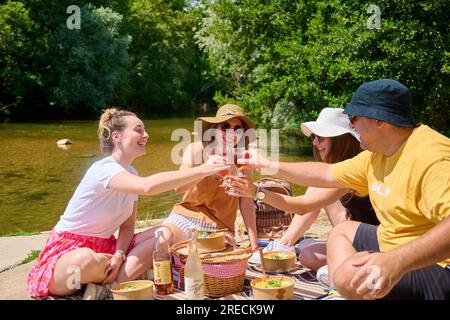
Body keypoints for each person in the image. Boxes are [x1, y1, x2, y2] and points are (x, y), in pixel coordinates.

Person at [238, 79, 450, 300]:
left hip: (438, 268)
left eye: (354, 118)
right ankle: (338, 294)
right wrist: (266, 165)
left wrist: (397, 260)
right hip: (394, 247)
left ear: (379, 120)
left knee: (347, 276)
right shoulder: (377, 155)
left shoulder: (433, 157)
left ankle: (342, 289)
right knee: (342, 232)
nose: (351, 126)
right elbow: (326, 174)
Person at [27, 108, 230, 298]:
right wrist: (204, 169)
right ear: (117, 137)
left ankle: (112, 285)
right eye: (138, 130)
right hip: (69, 251)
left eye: (145, 130)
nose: (146, 135)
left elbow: (127, 226)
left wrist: (119, 253)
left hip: (108, 248)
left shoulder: (131, 173)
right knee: (85, 260)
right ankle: (129, 274)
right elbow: (148, 187)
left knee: (163, 234)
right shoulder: (103, 169)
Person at [230, 108, 379, 272]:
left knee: (309, 253)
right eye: (314, 137)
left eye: (320, 137)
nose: (315, 143)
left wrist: (256, 191)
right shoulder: (348, 166)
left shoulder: (354, 170)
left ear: (340, 139)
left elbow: (303, 205)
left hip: (372, 245)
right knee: (306, 250)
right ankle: (286, 245)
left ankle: (286, 246)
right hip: (356, 235)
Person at [161, 104, 259, 250]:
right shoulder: (196, 150)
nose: (231, 133)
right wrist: (206, 169)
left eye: (237, 128)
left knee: (209, 259)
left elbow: (246, 205)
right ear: (215, 129)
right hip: (187, 215)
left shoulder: (243, 159)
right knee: (162, 240)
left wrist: (254, 246)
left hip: (220, 227)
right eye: (225, 126)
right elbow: (179, 188)